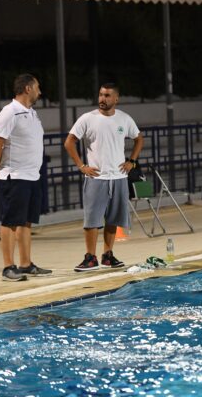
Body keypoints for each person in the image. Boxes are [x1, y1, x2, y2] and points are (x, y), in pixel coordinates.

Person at [64, 83, 144, 272]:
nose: (102, 99)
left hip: (118, 177)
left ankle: (108, 255)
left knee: (113, 219)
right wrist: (81, 166)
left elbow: (139, 138)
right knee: (92, 220)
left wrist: (132, 161)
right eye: (100, 95)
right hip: (96, 177)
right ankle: (90, 257)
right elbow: (69, 142)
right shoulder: (87, 118)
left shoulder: (124, 119)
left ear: (116, 99)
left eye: (107, 95)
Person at [0, 74, 52, 281]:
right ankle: (8, 267)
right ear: (27, 89)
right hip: (15, 175)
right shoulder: (9, 113)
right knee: (10, 221)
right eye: (37, 87)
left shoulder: (31, 113)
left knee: (26, 221)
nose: (39, 92)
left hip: (33, 175)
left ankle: (26, 264)